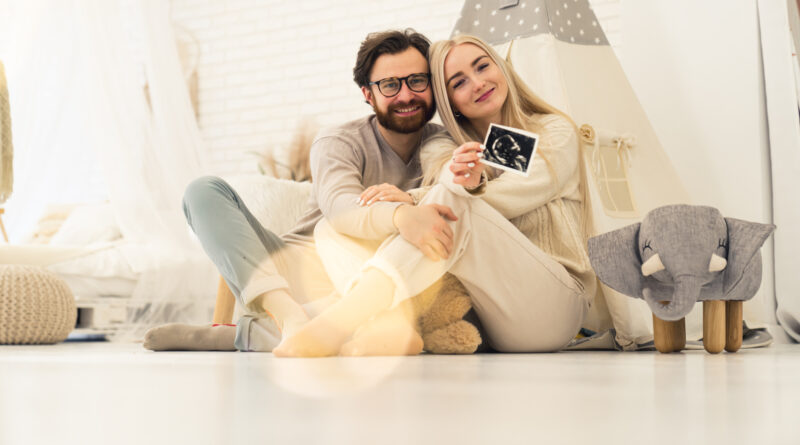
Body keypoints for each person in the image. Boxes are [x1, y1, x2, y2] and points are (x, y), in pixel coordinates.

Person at [275, 34, 597, 357]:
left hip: (556, 306)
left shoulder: (552, 132)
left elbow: (509, 196)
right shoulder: (441, 146)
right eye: (458, 83)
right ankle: (391, 325)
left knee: (454, 205)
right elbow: (450, 189)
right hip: (496, 324)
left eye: (483, 66)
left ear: (501, 68)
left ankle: (348, 318)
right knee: (329, 229)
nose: (478, 83)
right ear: (447, 100)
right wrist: (433, 198)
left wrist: (414, 200)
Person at [143, 29, 456, 352]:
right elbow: (342, 209)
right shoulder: (339, 141)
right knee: (202, 190)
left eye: (417, 80)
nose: (406, 95)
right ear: (367, 93)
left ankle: (239, 337)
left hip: (377, 287)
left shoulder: (446, 144)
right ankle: (288, 316)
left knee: (406, 313)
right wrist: (401, 214)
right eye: (390, 85)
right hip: (296, 273)